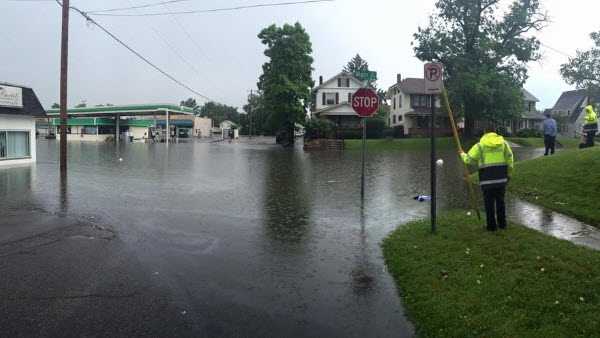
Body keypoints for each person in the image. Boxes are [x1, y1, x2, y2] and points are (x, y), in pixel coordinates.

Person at [461, 127, 514, 231]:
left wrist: (462, 154)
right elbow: (510, 159)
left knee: (488, 203)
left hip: (487, 179)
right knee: (500, 202)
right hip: (501, 179)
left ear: (485, 133)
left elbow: (469, 160)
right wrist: (509, 174)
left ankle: (491, 226)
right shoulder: (504, 144)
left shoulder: (480, 146)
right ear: (495, 132)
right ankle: (502, 224)